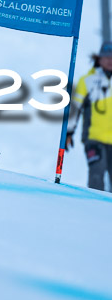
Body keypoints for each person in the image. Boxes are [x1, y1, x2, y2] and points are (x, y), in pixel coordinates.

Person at [66, 41, 112, 191]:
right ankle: (94, 210)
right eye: (106, 57)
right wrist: (69, 132)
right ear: (99, 59)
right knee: (96, 178)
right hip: (94, 139)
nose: (110, 60)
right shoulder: (87, 81)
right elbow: (75, 108)